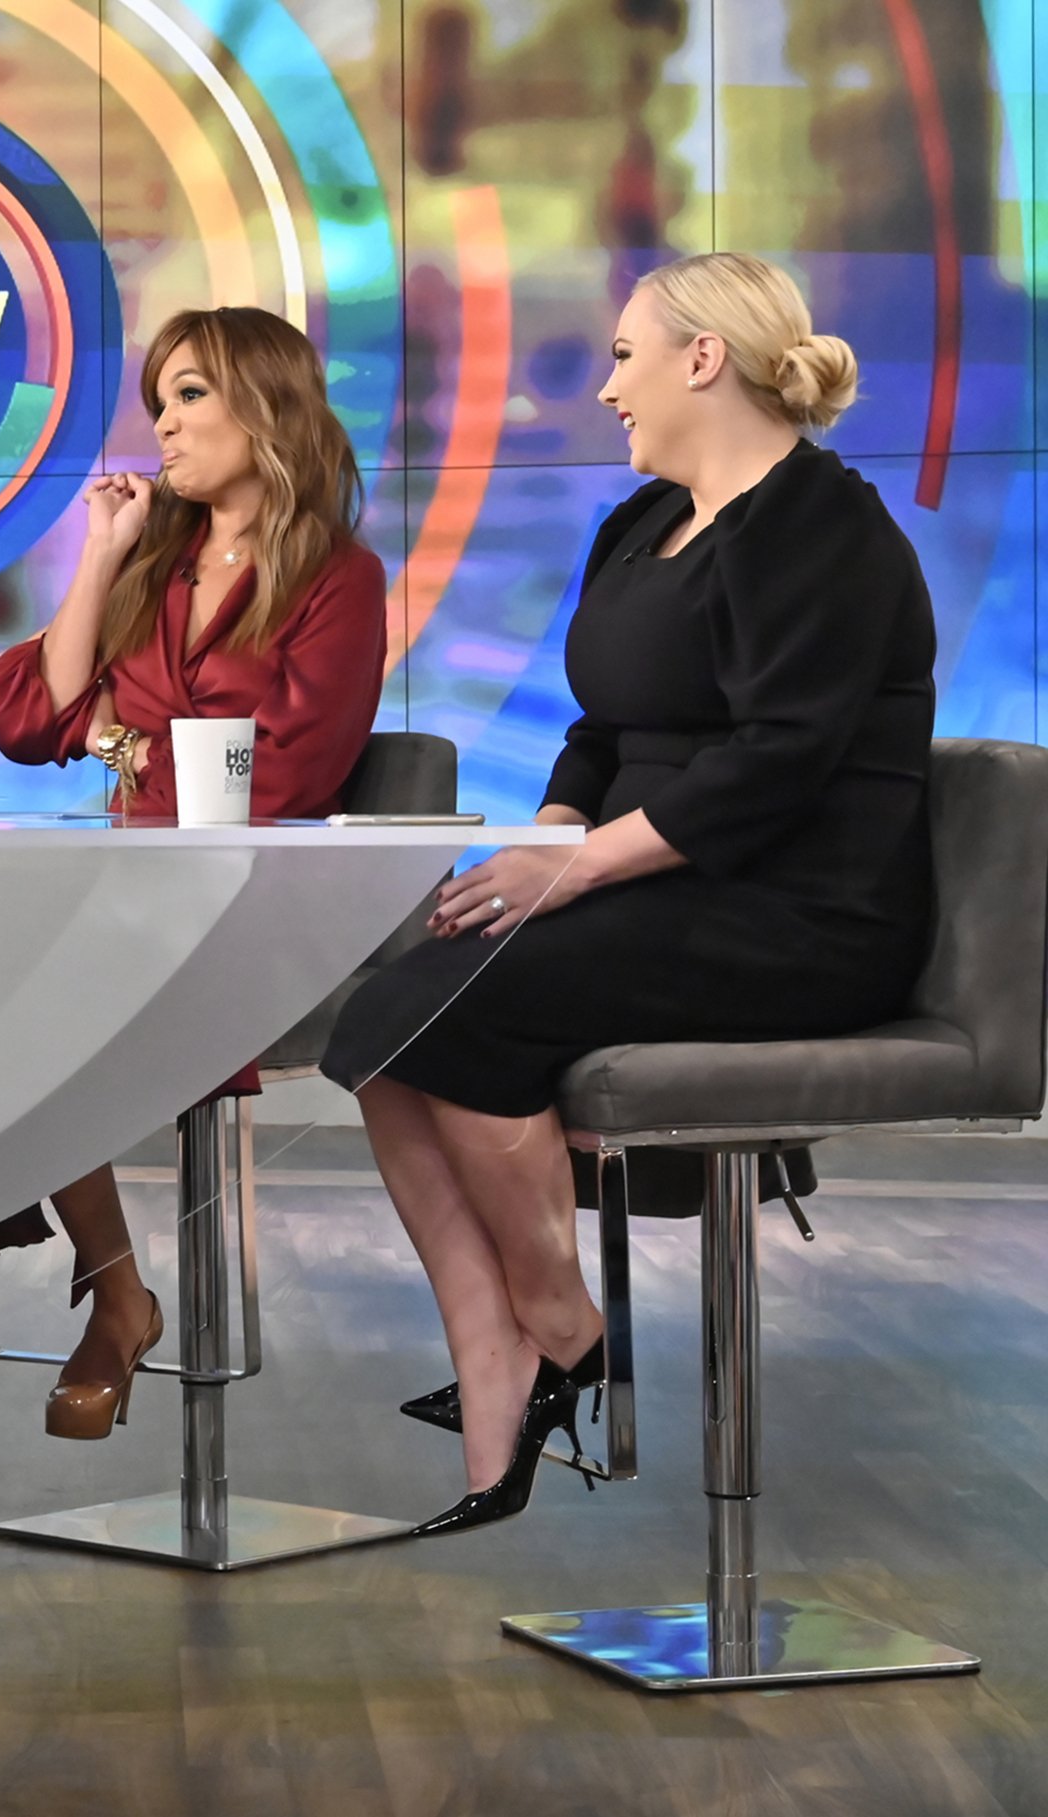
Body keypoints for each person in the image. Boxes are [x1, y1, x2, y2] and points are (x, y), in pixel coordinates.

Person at [322, 252, 934, 1536]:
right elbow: (604, 728)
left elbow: (776, 764)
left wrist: (579, 867)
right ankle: (498, 1347)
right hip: (656, 881)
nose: (607, 390)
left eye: (622, 356)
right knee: (378, 1024)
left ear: (701, 358)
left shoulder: (825, 523)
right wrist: (547, 828)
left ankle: (560, 1322)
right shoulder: (640, 523)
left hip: (801, 910)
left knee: (457, 1017)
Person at [0, 306, 386, 1438]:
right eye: (160, 398)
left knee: (24, 1006)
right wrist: (99, 556)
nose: (164, 421)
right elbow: (28, 714)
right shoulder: (153, 562)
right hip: (130, 888)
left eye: (190, 393)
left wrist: (124, 737)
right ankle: (116, 1292)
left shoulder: (340, 578)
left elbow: (284, 776)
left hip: (256, 903)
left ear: (266, 403)